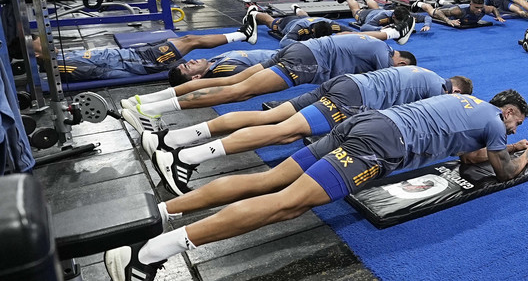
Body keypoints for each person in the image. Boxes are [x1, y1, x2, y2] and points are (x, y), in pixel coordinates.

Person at [105, 90, 528, 281]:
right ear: (506, 110)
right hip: (380, 145)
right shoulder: (493, 120)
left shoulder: (468, 105)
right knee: (286, 204)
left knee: (268, 180)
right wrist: (526, 157)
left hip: (367, 123)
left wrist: (507, 147)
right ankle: (145, 253)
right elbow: (503, 172)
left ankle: (160, 214)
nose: (513, 128)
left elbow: (468, 156)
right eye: (515, 121)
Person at [146, 66, 474, 195]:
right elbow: (408, 124)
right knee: (283, 132)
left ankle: (173, 139)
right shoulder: (437, 91)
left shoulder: (423, 73)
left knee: (269, 120)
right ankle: (187, 157)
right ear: (456, 92)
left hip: (346, 85)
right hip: (351, 98)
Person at [119, 29, 418, 129]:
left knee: (230, 84)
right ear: (401, 62)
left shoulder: (372, 42)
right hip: (307, 61)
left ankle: (141, 101)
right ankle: (150, 110)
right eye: (401, 68)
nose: (398, 70)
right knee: (239, 92)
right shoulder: (383, 55)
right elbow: (381, 89)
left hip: (299, 50)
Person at [37, 8, 258, 82]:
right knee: (191, 41)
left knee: (177, 40)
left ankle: (242, 34)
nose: (48, 42)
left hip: (133, 54)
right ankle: (243, 35)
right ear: (37, 55)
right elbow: (97, 71)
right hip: (139, 62)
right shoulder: (61, 65)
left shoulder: (61, 56)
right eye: (41, 44)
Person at [246, 7, 348, 47]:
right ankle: (253, 13)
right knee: (272, 23)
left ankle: (296, 8)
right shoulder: (300, 28)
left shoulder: (331, 24)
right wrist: (307, 44)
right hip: (289, 22)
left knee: (306, 17)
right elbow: (284, 42)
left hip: (308, 19)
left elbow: (353, 32)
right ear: (312, 30)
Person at [413, 0, 505, 27]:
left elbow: (493, 8)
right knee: (431, 11)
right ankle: (419, 3)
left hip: (454, 6)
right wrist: (448, 21)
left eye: (481, 7)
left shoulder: (484, 9)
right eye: (476, 8)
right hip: (449, 12)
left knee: (450, 5)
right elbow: (438, 12)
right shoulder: (459, 11)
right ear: (471, 4)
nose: (479, 10)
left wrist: (498, 16)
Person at [335, 0, 401, 29]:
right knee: (355, 11)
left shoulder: (401, 14)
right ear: (394, 17)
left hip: (378, 11)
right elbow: (365, 27)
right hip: (365, 15)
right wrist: (380, 29)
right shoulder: (381, 17)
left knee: (377, 8)